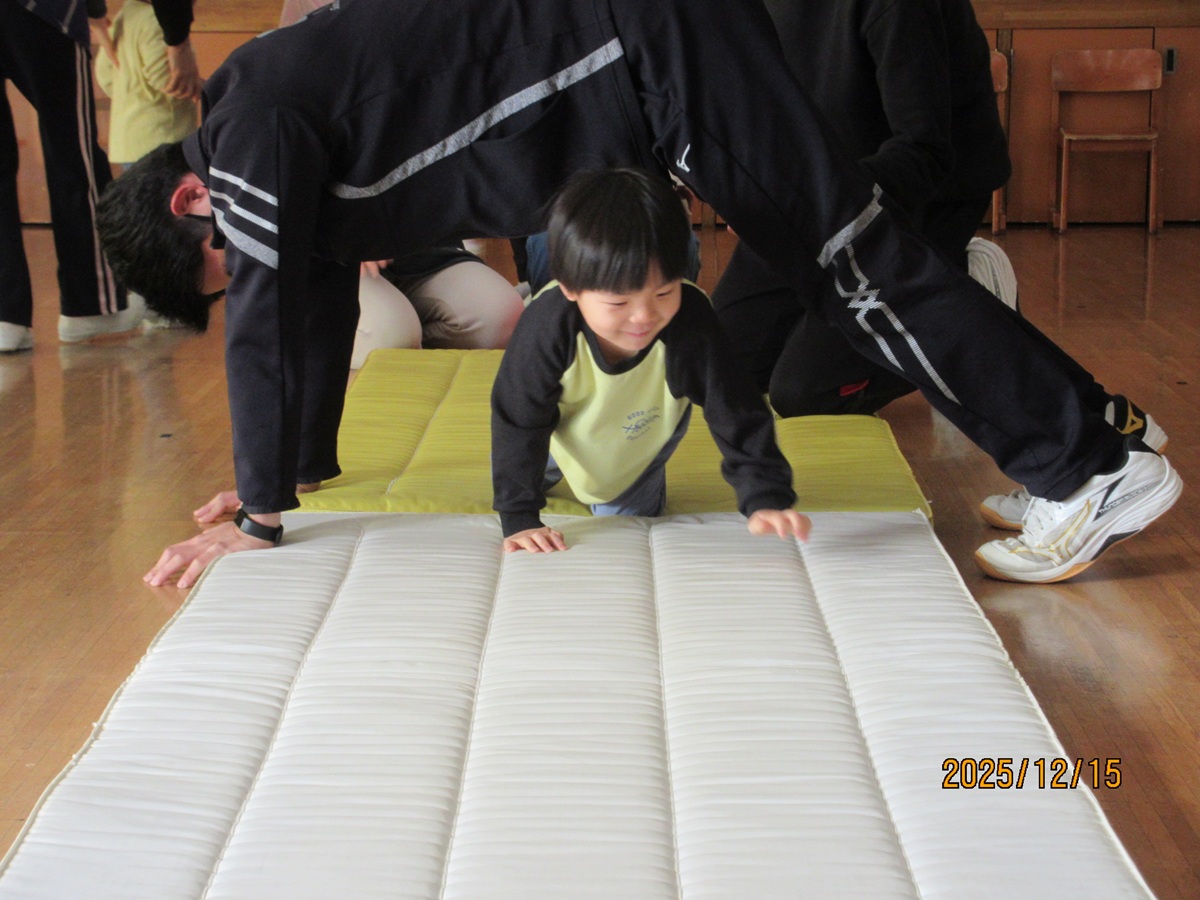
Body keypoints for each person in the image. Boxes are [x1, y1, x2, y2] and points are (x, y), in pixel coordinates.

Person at [94, 0, 1180, 588]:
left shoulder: (245, 134)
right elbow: (312, 301)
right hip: (651, 58)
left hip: (655, 46)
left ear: (191, 196)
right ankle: (1093, 440)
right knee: (844, 267)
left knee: (848, 267)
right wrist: (285, 478)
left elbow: (271, 322)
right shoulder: (264, 123)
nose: (245, 271)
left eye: (220, 264)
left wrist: (262, 524)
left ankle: (1089, 465)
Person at [712, 0, 1015, 417]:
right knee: (716, 368)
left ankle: (957, 301)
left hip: (924, 198)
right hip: (819, 194)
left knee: (805, 392)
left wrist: (810, 198)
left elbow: (925, 151)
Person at [492, 168, 809, 553]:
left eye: (663, 293)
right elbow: (518, 418)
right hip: (556, 425)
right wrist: (519, 515)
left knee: (627, 529)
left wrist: (765, 494)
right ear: (570, 287)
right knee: (524, 461)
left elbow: (736, 408)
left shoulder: (691, 324)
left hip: (637, 434)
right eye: (618, 303)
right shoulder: (545, 327)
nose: (643, 316)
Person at [1, 0, 143, 352]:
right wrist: (94, 10)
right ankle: (92, 305)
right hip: (39, 11)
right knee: (73, 153)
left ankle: (5, 317)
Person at [94, 0, 199, 168]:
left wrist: (129, 96)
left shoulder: (123, 16)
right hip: (161, 137)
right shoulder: (157, 21)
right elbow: (166, 78)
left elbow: (104, 74)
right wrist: (203, 88)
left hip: (127, 141)